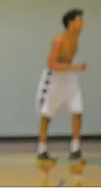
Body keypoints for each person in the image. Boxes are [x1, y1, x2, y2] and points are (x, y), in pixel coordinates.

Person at [36, 9, 86, 161]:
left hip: (68, 76)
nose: (82, 23)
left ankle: (75, 147)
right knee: (47, 112)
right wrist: (75, 68)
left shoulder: (76, 38)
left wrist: (72, 69)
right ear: (71, 23)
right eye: (79, 20)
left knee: (77, 109)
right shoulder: (59, 40)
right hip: (54, 77)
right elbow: (51, 63)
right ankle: (42, 148)